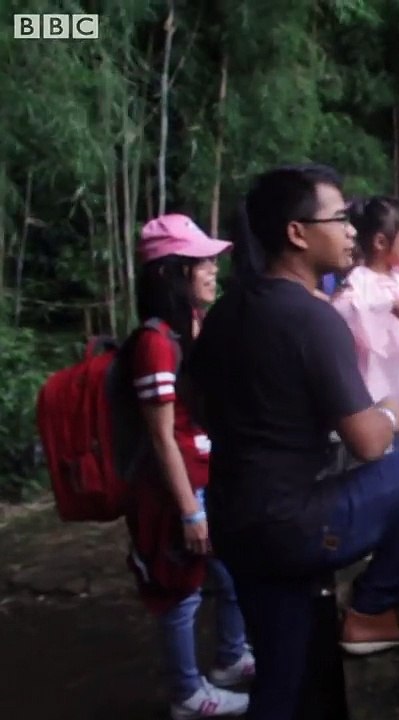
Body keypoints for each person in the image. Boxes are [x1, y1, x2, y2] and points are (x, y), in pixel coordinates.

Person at [188, 164, 399, 720]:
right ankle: (372, 608)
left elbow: (195, 405)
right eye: (339, 219)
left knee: (283, 679)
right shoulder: (312, 318)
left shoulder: (227, 311)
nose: (350, 231)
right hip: (299, 521)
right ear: (297, 232)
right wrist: (390, 408)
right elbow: (368, 442)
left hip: (236, 520)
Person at [125, 214, 254, 719]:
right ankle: (185, 693)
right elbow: (161, 436)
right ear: (172, 273)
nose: (212, 269)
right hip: (178, 493)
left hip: (206, 478)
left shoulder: (191, 328)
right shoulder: (155, 343)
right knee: (180, 592)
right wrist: (189, 512)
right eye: (201, 262)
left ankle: (230, 658)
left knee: (232, 572)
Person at [331, 197, 399, 452]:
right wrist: (387, 306)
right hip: (376, 386)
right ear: (380, 242)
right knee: (383, 448)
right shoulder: (358, 281)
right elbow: (343, 312)